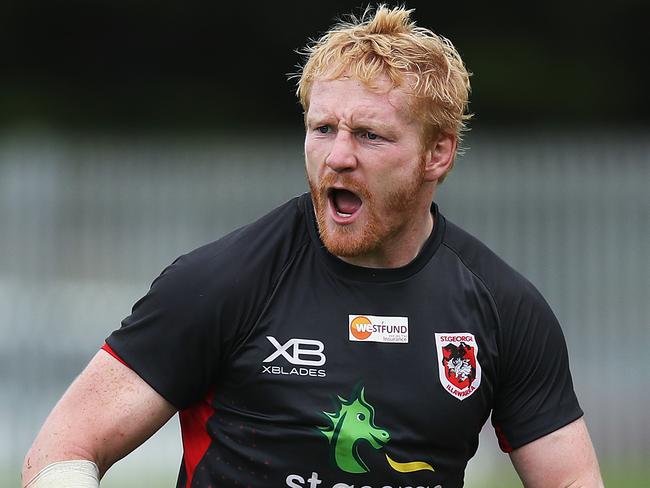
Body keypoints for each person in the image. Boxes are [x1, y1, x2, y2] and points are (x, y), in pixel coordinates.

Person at [22, 5, 604, 488]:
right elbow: (63, 451)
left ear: (438, 155)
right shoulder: (224, 282)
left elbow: (571, 480)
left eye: (370, 135)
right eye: (323, 128)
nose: (338, 156)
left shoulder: (503, 307)